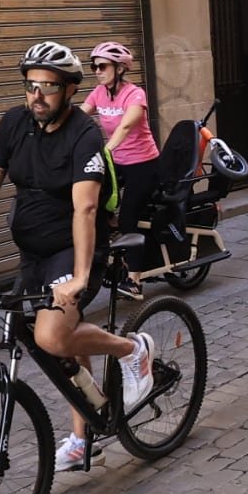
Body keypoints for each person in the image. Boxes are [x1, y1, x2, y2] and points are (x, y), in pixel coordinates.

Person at [0, 41, 156, 469]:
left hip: (75, 249)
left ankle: (132, 351)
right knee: (48, 338)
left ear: (70, 90)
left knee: (53, 336)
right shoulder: (13, 123)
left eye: (49, 86)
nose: (37, 95)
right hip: (33, 252)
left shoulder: (84, 134)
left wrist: (79, 277)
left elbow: (86, 208)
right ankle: (84, 434)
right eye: (31, 85)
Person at [82, 41, 159, 301]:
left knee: (129, 218)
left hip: (143, 163)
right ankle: (111, 242)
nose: (96, 71)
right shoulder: (98, 93)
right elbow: (80, 118)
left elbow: (126, 126)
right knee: (93, 204)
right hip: (116, 162)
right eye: (94, 66)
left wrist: (106, 150)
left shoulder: (135, 95)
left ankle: (135, 281)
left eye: (102, 66)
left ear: (120, 68)